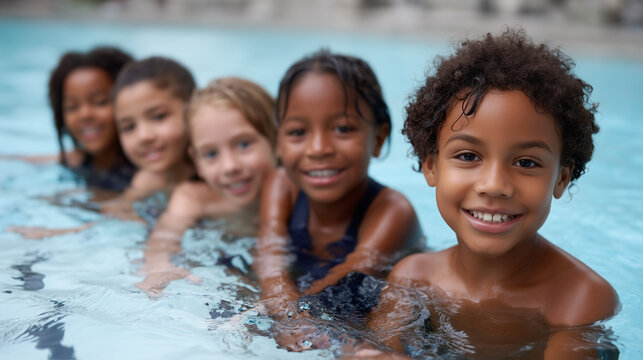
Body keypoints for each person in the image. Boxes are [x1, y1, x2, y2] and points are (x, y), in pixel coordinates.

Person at [360, 28, 619, 359]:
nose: (495, 184)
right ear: (431, 166)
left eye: (526, 162)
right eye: (468, 156)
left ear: (561, 178)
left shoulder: (579, 298)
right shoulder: (413, 277)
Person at [253, 50, 423, 350]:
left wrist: (297, 316)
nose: (318, 148)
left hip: (356, 297)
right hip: (303, 292)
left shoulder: (393, 211)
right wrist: (286, 309)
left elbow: (356, 272)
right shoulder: (281, 185)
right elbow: (269, 251)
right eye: (297, 132)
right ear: (279, 140)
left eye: (342, 128)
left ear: (379, 138)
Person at [135, 77, 277, 294]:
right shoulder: (194, 198)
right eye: (211, 154)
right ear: (196, 161)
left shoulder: (293, 191)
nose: (230, 166)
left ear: (275, 139)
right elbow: (164, 238)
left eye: (244, 144)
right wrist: (158, 266)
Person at [102, 56, 197, 219]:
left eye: (159, 117)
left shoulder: (219, 171)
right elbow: (112, 217)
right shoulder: (146, 181)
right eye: (129, 127)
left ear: (193, 109)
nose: (144, 137)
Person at [48, 46, 135, 191]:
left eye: (100, 102)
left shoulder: (147, 172)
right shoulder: (76, 159)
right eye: (72, 107)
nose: (85, 115)